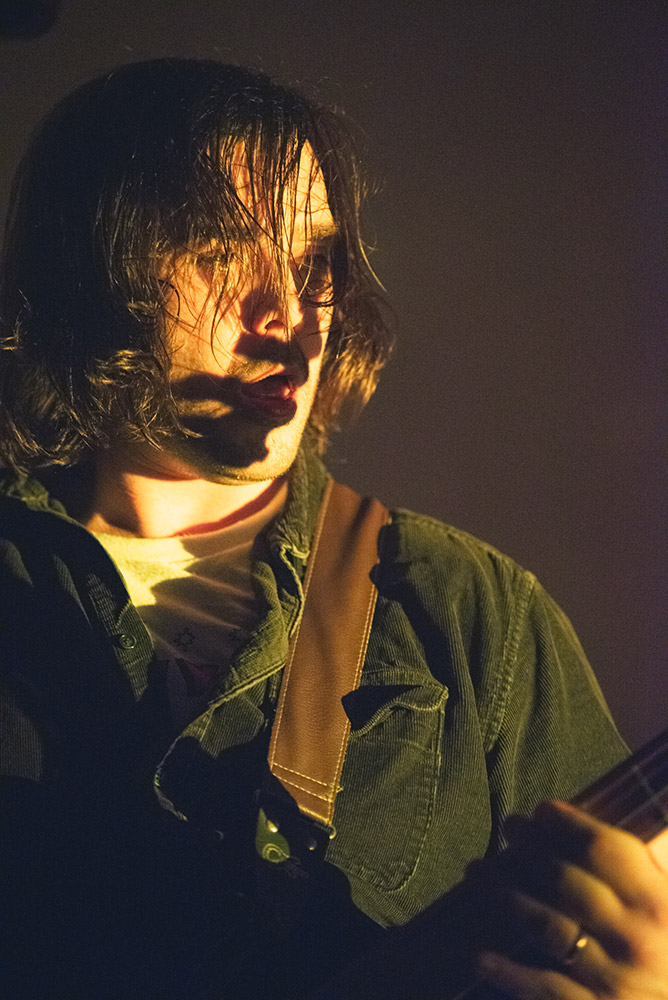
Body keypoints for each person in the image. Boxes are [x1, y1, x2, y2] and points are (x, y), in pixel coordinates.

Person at [0, 58, 665, 1000]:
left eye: (314, 261)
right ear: (93, 270)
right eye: (222, 252)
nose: (291, 314)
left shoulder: (475, 612)